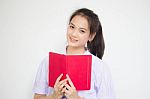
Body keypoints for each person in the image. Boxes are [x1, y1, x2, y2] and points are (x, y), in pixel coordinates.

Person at [33, 8, 115, 99]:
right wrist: (54, 96)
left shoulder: (100, 67)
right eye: (72, 27)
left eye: (82, 31)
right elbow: (37, 97)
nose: (74, 34)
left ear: (91, 36)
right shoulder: (48, 61)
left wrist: (77, 98)